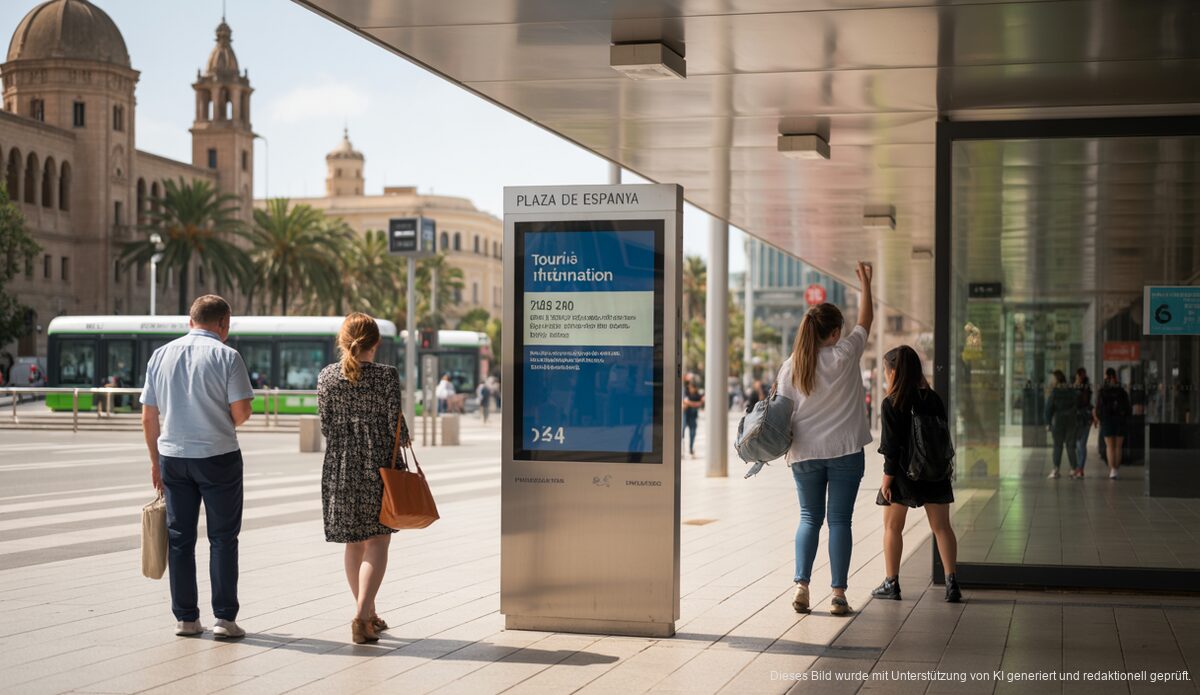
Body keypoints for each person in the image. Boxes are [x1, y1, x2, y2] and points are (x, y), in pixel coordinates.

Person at [140, 295, 253, 639]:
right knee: (223, 538)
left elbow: (148, 416)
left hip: (173, 458)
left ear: (190, 321)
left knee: (179, 538)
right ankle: (224, 620)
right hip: (218, 456)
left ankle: (186, 619)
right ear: (223, 324)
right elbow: (241, 413)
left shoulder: (160, 355)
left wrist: (155, 462)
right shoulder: (228, 356)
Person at [775, 261, 873, 617]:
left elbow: (781, 410)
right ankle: (838, 595)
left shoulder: (792, 365)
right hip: (845, 451)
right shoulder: (845, 355)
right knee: (840, 522)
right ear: (833, 333)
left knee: (809, 518)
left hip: (805, 454)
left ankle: (801, 587)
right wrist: (866, 285)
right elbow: (866, 321)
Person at [317, 313, 402, 644]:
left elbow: (326, 425)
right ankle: (362, 617)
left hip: (339, 465)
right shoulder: (386, 376)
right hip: (376, 466)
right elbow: (396, 426)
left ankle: (367, 612)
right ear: (376, 343)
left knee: (353, 541)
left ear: (342, 341)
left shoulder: (327, 376)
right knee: (378, 540)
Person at [870, 345, 961, 603]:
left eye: (886, 370)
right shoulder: (933, 399)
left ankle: (892, 583)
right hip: (935, 471)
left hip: (903, 474)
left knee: (892, 527)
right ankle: (952, 583)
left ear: (894, 372)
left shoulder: (892, 402)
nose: (886, 375)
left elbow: (891, 449)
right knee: (942, 527)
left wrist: (886, 482)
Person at [1095, 368, 1131, 480]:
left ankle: (1112, 470)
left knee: (1110, 447)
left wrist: (1100, 419)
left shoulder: (1103, 391)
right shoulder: (1121, 391)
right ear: (1115, 376)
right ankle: (1116, 470)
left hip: (1107, 420)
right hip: (1120, 420)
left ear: (1106, 376)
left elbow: (1098, 408)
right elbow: (1128, 408)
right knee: (1118, 447)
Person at [1044, 370, 1078, 479]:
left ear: (1057, 379)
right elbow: (1077, 404)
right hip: (1071, 420)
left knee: (1058, 446)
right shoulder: (1071, 391)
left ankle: (1056, 470)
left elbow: (1049, 408)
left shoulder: (1055, 392)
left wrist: (1048, 422)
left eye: (1053, 379)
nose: (1051, 381)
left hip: (1058, 421)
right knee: (1071, 446)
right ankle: (1074, 470)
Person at [1072, 368, 1093, 479]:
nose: (1080, 378)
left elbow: (1084, 402)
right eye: (1079, 375)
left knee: (1081, 444)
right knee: (1077, 444)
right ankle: (1078, 468)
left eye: (1081, 376)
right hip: (1075, 419)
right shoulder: (1073, 387)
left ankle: (1080, 468)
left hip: (1084, 418)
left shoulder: (1085, 388)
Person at [681, 374, 705, 458]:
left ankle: (691, 449)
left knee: (692, 433)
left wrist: (691, 404)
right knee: (682, 432)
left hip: (693, 416)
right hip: (685, 415)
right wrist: (695, 404)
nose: (691, 388)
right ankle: (682, 450)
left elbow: (701, 403)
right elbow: (685, 402)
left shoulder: (697, 394)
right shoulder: (685, 391)